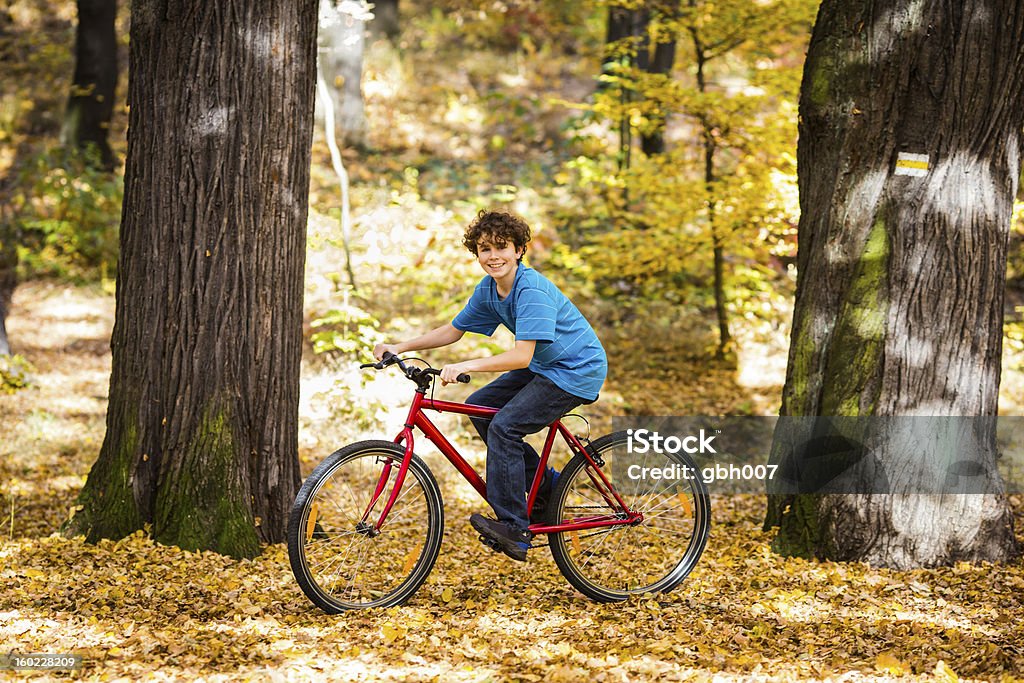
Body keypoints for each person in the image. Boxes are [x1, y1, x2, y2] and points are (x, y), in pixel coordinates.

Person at [373, 210, 607, 561]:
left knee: (505, 427)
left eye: (502, 247)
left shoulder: (531, 291)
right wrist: (400, 346)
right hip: (547, 366)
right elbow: (453, 330)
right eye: (485, 249)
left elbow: (521, 356)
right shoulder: (490, 289)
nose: (493, 255)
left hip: (575, 371)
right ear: (477, 254)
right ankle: (548, 490)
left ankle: (515, 527)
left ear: (519, 250)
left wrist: (468, 364)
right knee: (481, 409)